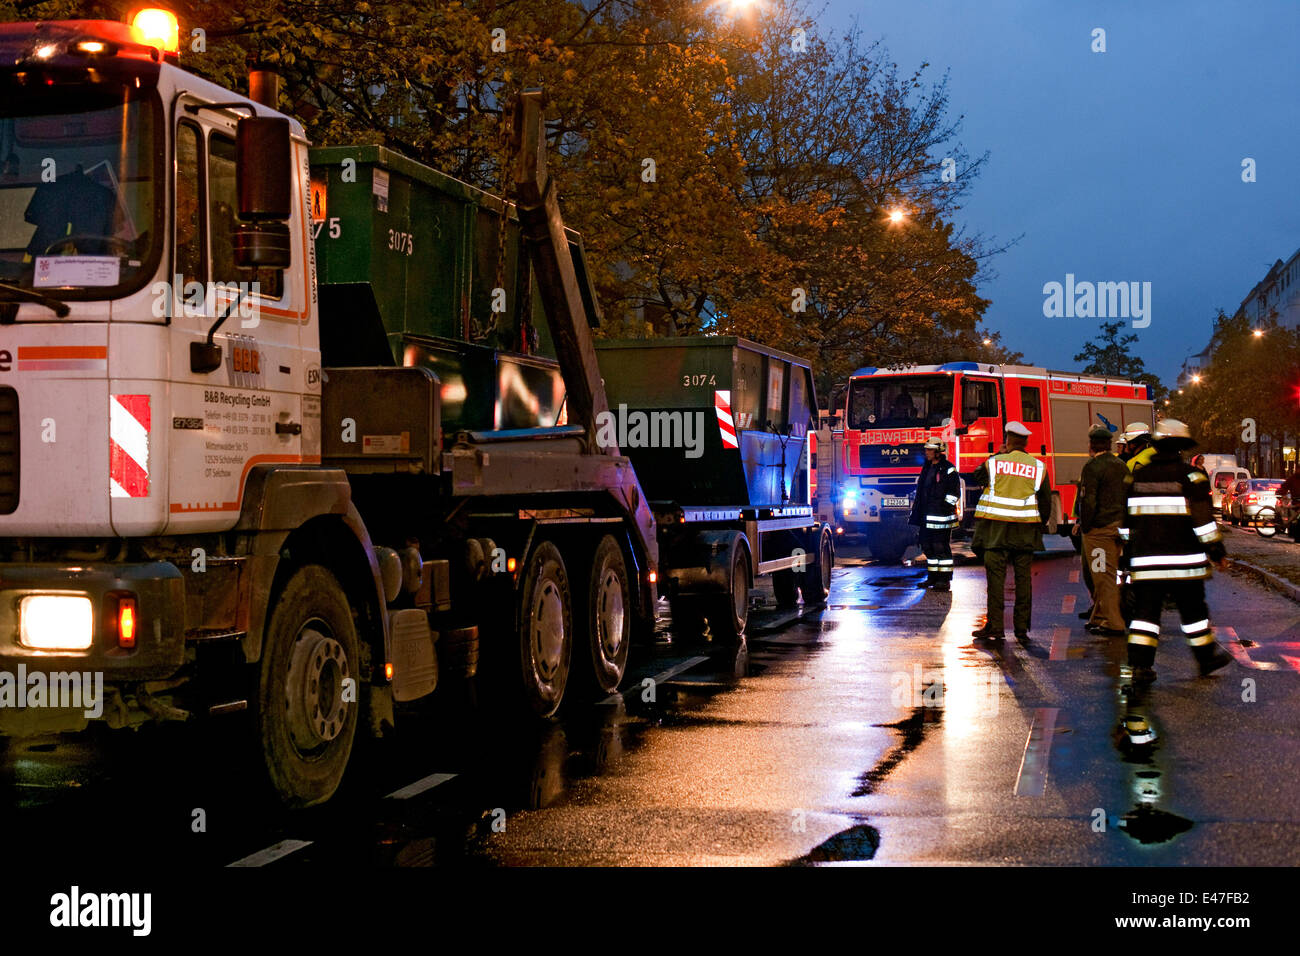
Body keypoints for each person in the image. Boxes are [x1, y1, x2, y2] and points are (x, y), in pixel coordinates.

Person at [1119, 419, 1233, 684]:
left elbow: (1126, 523)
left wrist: (1128, 555)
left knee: (1145, 617)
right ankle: (1207, 659)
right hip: (1185, 565)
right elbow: (1203, 522)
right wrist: (1216, 552)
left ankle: (1140, 668)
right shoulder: (1191, 477)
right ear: (1181, 447)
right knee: (1194, 616)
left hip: (1146, 564)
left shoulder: (1136, 476)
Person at [970, 421, 1054, 641]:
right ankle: (1021, 629)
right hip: (1025, 532)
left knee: (996, 580)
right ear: (1026, 442)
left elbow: (976, 475)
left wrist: (997, 455)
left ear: (1007, 441)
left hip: (995, 532)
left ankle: (996, 628)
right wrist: (1039, 523)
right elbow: (1046, 503)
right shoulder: (1038, 466)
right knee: (1023, 580)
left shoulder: (995, 463)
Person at [1073, 425, 1128, 635]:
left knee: (1100, 576)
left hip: (1099, 531)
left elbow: (1088, 500)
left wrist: (1085, 526)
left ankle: (1114, 623)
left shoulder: (1092, 467)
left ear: (1092, 445)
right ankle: (1099, 616)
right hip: (1119, 527)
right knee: (1108, 573)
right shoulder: (1121, 466)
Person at [909, 439, 960, 590]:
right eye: (926, 450)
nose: (927, 452)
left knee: (940, 547)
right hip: (926, 516)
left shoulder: (948, 469)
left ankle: (944, 580)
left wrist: (944, 507)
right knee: (927, 546)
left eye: (930, 450)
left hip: (942, 517)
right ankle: (932, 577)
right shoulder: (927, 468)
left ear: (938, 452)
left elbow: (954, 492)